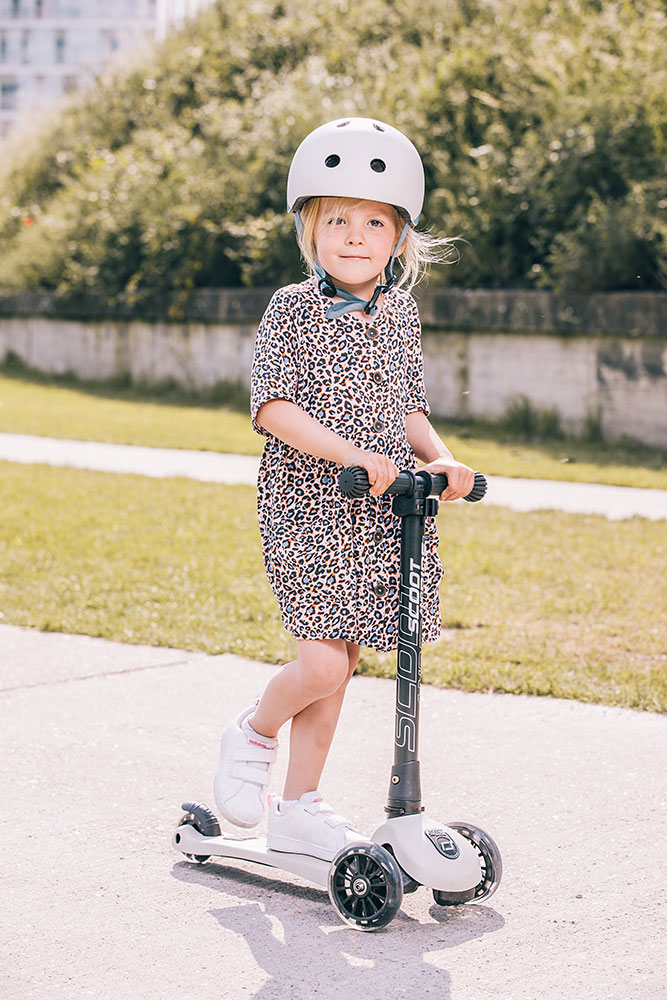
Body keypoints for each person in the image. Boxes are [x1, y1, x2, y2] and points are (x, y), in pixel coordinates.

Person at [214, 117, 475, 861]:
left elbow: (407, 407)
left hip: (381, 508)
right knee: (322, 663)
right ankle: (253, 731)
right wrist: (351, 453)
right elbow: (273, 408)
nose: (354, 236)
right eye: (337, 221)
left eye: (373, 223)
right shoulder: (291, 308)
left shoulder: (400, 313)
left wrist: (444, 459)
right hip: (308, 503)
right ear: (311, 230)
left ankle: (299, 806)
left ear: (399, 238)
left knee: (345, 661)